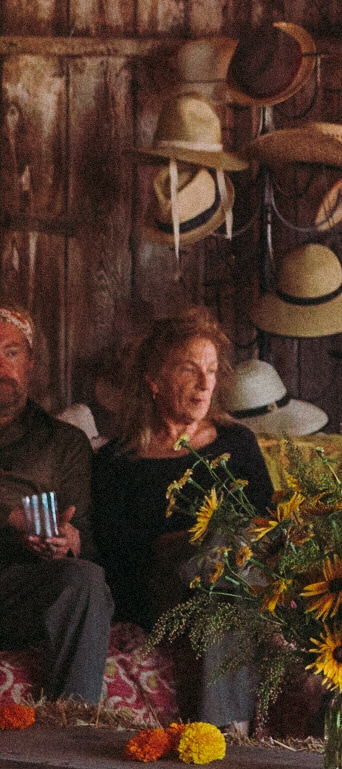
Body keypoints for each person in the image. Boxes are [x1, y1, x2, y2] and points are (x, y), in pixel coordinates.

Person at [89, 310, 273, 730]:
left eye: (210, 371)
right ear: (154, 380)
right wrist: (188, 545)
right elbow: (117, 556)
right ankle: (229, 730)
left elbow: (266, 524)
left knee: (228, 567)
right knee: (218, 554)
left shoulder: (236, 442)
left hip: (236, 581)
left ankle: (225, 730)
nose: (206, 384)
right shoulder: (118, 461)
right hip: (161, 592)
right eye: (190, 371)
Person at [0, 307, 113, 705]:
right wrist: (13, 517)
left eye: (11, 353)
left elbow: (84, 537)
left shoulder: (63, 443)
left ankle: (73, 725)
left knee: (84, 579)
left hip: (17, 591)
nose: (1, 367)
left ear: (30, 362)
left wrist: (67, 542)